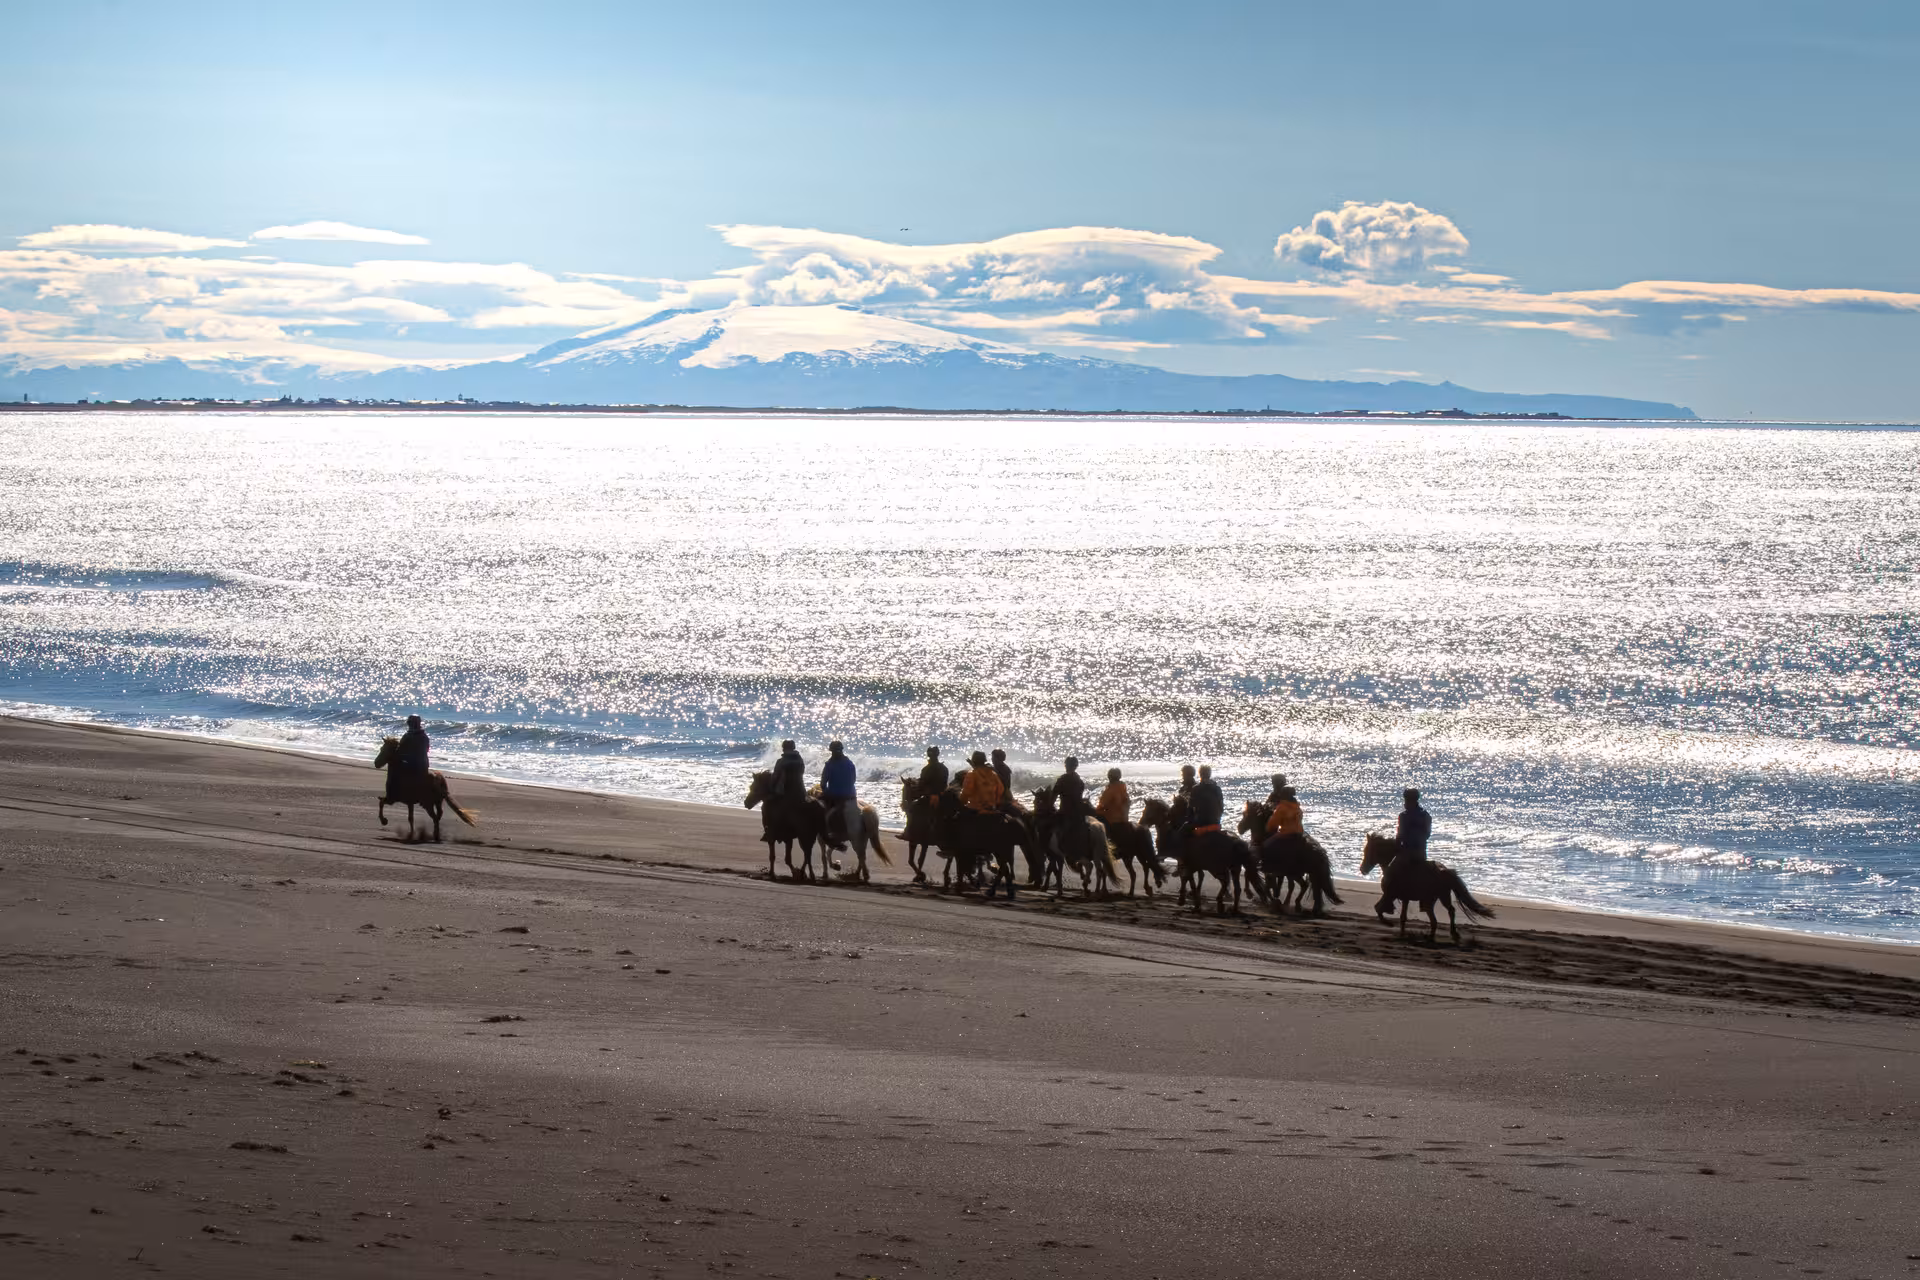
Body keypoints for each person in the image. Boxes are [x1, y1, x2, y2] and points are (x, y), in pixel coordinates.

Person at [821, 741, 859, 843]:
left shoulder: (829, 765)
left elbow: (823, 784)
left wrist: (825, 792)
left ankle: (828, 831)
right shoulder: (850, 763)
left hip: (835, 796)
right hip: (851, 795)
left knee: (821, 811)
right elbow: (854, 780)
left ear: (832, 751)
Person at [1396, 788, 1432, 864]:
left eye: (1406, 800)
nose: (1405, 803)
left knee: (1391, 871)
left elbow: (1400, 836)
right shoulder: (1425, 815)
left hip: (1406, 855)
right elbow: (1427, 834)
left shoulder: (1403, 816)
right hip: (1421, 854)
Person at [1189, 764, 1223, 835]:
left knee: (1181, 834)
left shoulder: (1196, 789)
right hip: (1216, 822)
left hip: (1201, 822)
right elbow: (1221, 807)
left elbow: (1190, 808)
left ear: (1200, 774)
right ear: (1210, 774)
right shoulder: (1217, 788)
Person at [772, 739, 806, 810]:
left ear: (784, 749)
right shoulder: (800, 760)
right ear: (794, 748)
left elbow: (774, 778)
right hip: (801, 791)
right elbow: (802, 772)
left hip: (784, 793)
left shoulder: (780, 761)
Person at [396, 715, 431, 782]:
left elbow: (399, 750)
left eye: (409, 722)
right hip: (424, 765)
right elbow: (427, 750)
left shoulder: (407, 736)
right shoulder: (424, 736)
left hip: (410, 765)